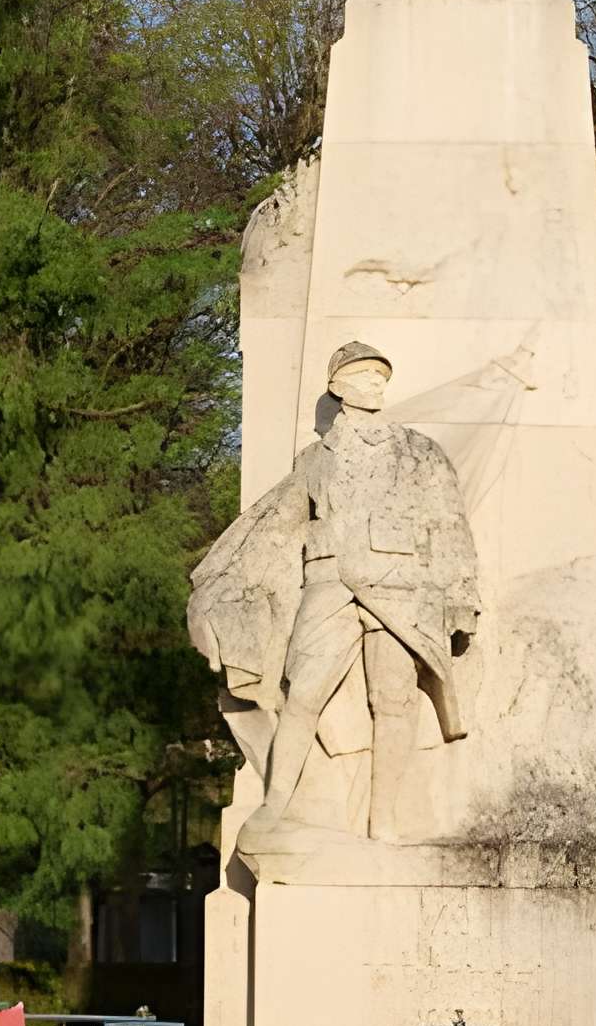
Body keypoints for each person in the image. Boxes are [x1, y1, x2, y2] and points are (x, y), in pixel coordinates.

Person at [188, 341, 480, 846]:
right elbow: (273, 524)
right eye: (364, 375)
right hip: (330, 585)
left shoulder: (418, 451)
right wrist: (221, 584)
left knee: (392, 701)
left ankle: (382, 820)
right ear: (338, 387)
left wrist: (461, 597)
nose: (376, 384)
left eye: (380, 376)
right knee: (302, 692)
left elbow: (448, 523)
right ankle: (276, 803)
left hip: (400, 587)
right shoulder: (314, 459)